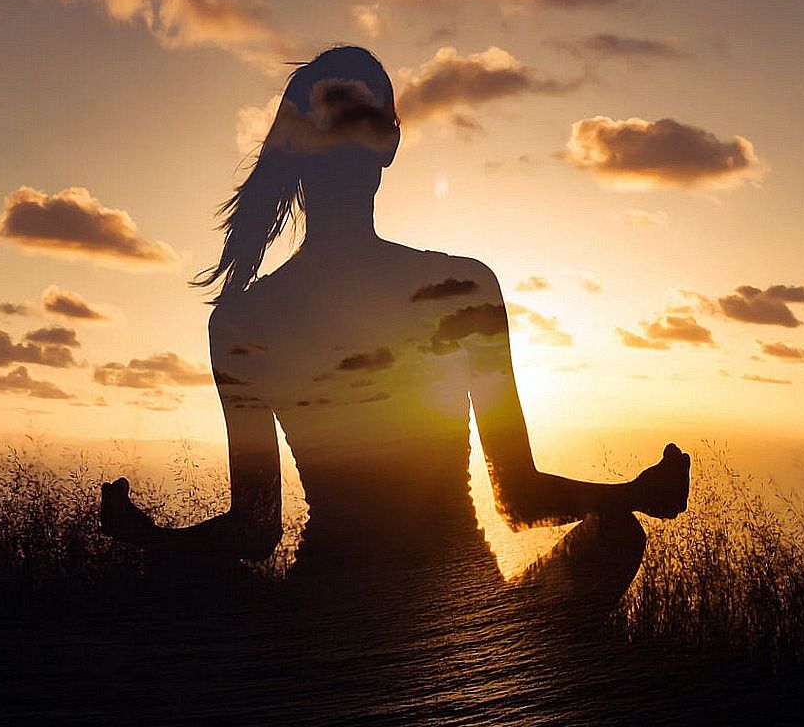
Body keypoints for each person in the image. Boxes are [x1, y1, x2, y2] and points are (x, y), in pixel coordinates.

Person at [100, 46, 689, 604]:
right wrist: (636, 495)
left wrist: (151, 539)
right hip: (463, 613)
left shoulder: (244, 318)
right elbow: (519, 497)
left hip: (328, 615)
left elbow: (254, 532)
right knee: (616, 535)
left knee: (616, 533)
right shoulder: (463, 287)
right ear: (390, 142)